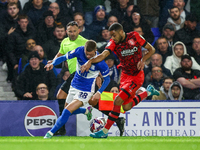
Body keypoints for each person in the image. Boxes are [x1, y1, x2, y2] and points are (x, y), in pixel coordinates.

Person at [80, 22, 159, 138]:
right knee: (125, 106)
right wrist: (90, 61)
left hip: (137, 76)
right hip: (125, 76)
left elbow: (151, 49)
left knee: (117, 100)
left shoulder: (134, 36)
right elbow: (103, 55)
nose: (112, 38)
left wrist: (143, 60)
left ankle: (104, 132)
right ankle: (148, 92)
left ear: (121, 32)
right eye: (111, 36)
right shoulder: (113, 43)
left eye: (114, 35)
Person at [43, 40, 110, 138]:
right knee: (68, 111)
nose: (88, 57)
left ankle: (50, 133)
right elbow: (63, 57)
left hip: (86, 90)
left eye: (90, 55)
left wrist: (99, 92)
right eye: (86, 54)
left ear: (95, 50)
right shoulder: (79, 51)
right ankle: (85, 111)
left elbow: (107, 79)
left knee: (66, 111)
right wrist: (53, 63)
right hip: (74, 85)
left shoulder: (100, 63)